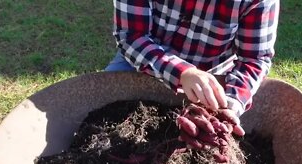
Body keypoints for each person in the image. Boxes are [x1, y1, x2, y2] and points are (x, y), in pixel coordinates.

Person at [106, 0, 280, 135]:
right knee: (105, 118)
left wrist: (231, 102)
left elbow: (254, 58)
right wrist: (183, 72)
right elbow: (132, 36)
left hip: (213, 74)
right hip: (142, 58)